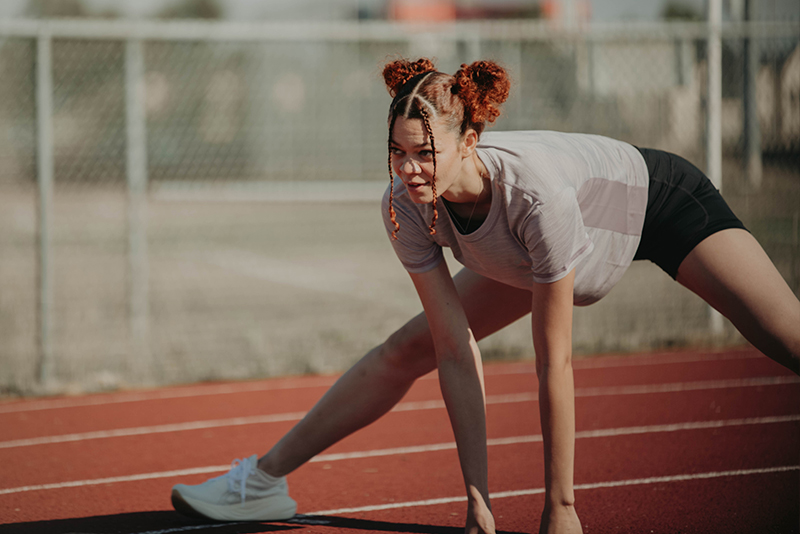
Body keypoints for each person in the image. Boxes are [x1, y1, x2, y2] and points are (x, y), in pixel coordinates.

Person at [170, 58, 800, 534]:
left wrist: (561, 507)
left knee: (784, 334)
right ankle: (261, 481)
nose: (409, 168)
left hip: (656, 201)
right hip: (525, 249)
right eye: (397, 153)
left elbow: (554, 361)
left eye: (424, 153)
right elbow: (453, 350)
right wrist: (478, 497)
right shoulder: (404, 205)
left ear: (468, 141)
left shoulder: (534, 196)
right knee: (406, 348)